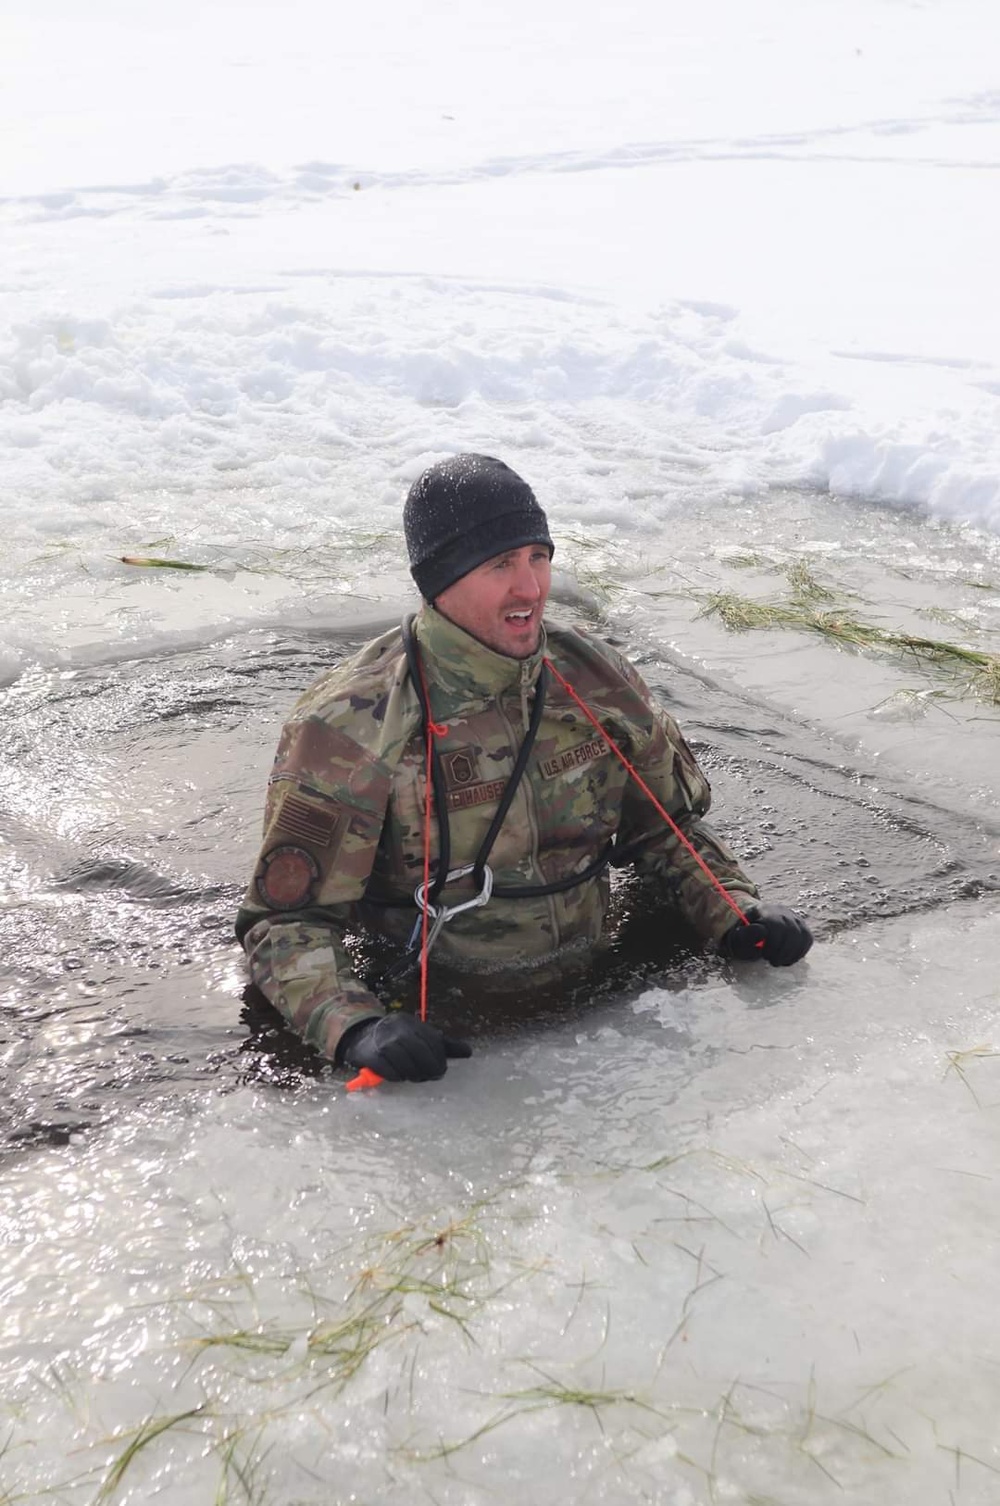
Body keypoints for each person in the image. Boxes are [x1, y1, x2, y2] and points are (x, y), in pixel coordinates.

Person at [235, 455, 812, 1085]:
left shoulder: (598, 678)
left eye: (538, 557)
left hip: (600, 987)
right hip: (446, 1016)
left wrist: (734, 912)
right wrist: (354, 1026)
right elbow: (285, 922)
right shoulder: (351, 725)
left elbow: (667, 832)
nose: (531, 588)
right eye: (500, 565)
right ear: (439, 582)